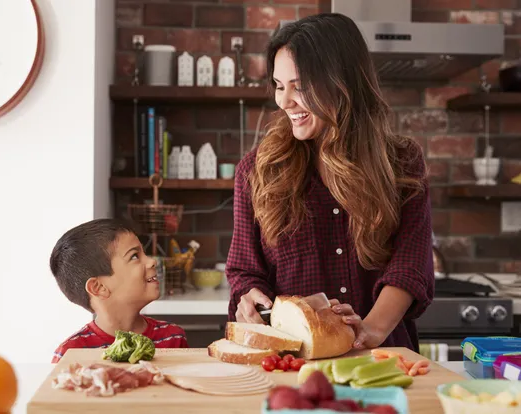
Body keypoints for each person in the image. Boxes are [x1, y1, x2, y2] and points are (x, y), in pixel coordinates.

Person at [226, 13, 435, 353]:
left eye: (300, 86)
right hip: (291, 361)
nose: (284, 101)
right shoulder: (256, 171)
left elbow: (410, 265)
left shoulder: (402, 163)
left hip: (379, 359)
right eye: (280, 86)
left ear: (342, 82)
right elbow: (245, 270)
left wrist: (370, 329)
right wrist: (249, 297)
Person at [50, 218, 188, 363]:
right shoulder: (70, 354)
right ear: (99, 288)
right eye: (134, 256)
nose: (152, 261)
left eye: (143, 253)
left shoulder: (173, 338)